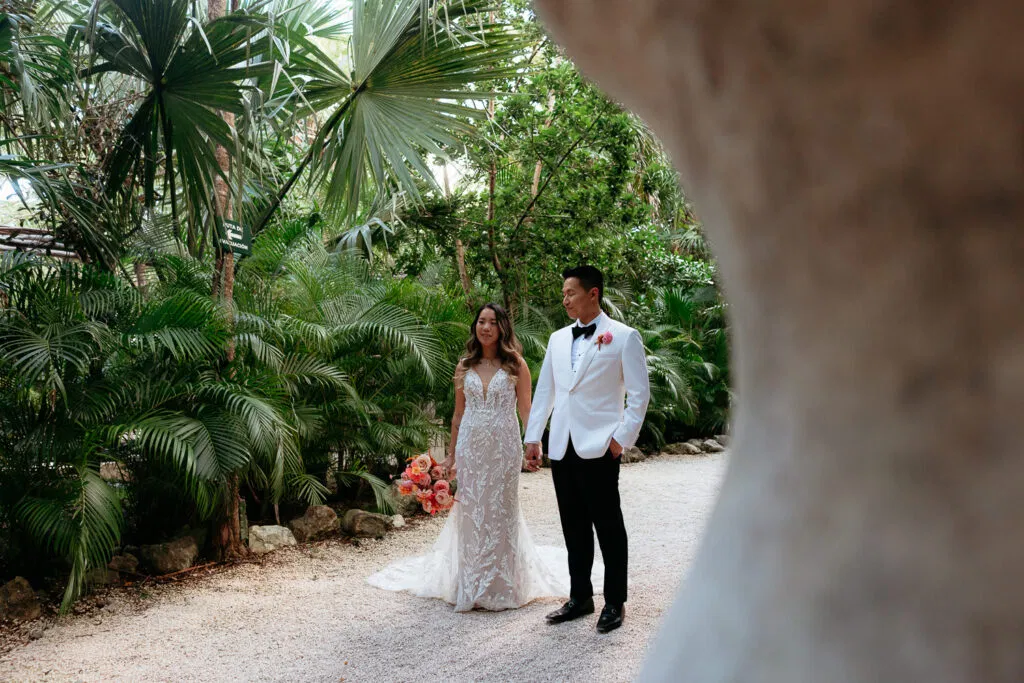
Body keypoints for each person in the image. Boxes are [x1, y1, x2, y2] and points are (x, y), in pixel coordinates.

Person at [367, 303, 575, 611]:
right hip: (471, 448)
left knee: (502, 510)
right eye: (481, 322)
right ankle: (472, 581)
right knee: (473, 512)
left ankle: (503, 584)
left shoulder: (516, 364)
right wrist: (451, 456)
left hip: (504, 446)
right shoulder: (464, 365)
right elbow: (458, 414)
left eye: (492, 322)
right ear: (475, 327)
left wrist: (534, 443)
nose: (486, 327)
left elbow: (526, 409)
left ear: (503, 327)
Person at [525, 265, 651, 633]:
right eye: (563, 294)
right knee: (573, 525)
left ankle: (615, 601)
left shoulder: (624, 337)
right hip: (562, 445)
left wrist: (620, 439)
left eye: (570, 293)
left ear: (593, 293)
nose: (564, 300)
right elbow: (546, 390)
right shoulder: (557, 338)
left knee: (609, 525)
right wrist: (533, 437)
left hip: (600, 446)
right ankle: (580, 596)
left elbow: (639, 395)